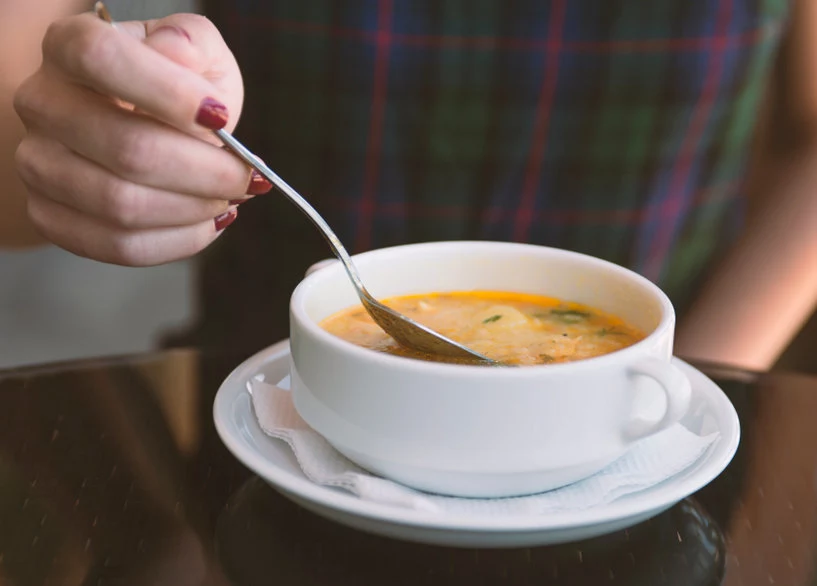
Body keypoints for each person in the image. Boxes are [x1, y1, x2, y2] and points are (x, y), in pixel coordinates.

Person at [2, 0, 817, 370]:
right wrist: (97, 126)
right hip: (271, 411)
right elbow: (21, 110)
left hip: (663, 406)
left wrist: (694, 383)